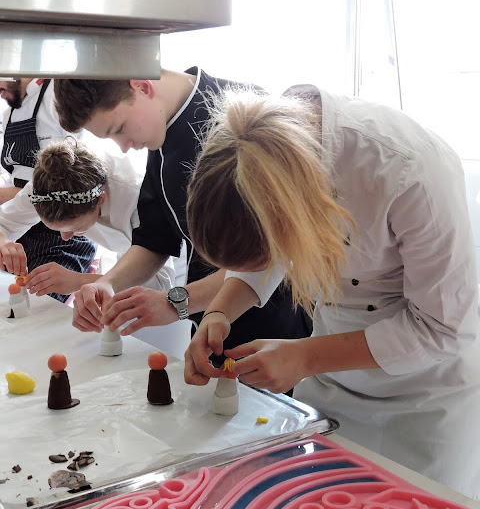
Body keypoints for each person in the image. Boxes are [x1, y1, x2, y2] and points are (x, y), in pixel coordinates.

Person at [183, 85, 480, 499]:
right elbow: (265, 254)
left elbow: (444, 328)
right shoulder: (261, 158)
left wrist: (304, 355)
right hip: (332, 386)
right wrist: (218, 313)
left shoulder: (408, 169)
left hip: (426, 398)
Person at [52, 69, 312, 359]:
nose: (124, 148)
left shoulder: (244, 116)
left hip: (274, 328)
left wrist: (175, 303)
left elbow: (267, 256)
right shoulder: (159, 134)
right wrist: (106, 283)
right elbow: (155, 240)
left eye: (119, 128)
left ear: (141, 86)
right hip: (209, 326)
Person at [0, 139, 175, 296]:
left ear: (100, 199)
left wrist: (78, 281)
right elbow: (4, 223)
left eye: (73, 229)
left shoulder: (138, 197)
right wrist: (3, 244)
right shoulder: (45, 187)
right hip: (122, 264)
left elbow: (161, 285)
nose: (64, 237)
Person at [0, 78, 97, 301]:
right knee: (11, 304)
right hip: (23, 227)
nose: (0, 94)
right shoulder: (9, 115)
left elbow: (73, 178)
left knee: (41, 309)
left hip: (63, 233)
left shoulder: (58, 97)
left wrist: (6, 195)